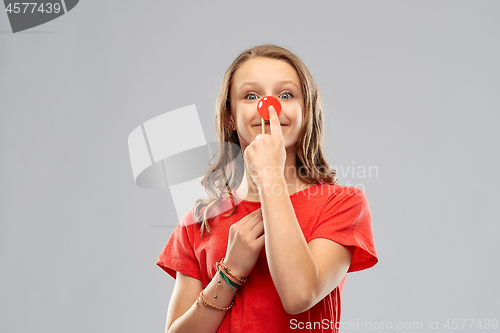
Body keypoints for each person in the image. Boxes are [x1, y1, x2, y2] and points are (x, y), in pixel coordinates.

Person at [156, 44, 378, 333]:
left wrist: (271, 175)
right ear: (229, 117)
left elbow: (300, 294)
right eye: (251, 96)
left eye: (285, 95)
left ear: (305, 112)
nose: (268, 106)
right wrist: (231, 271)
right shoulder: (197, 222)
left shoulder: (342, 204)